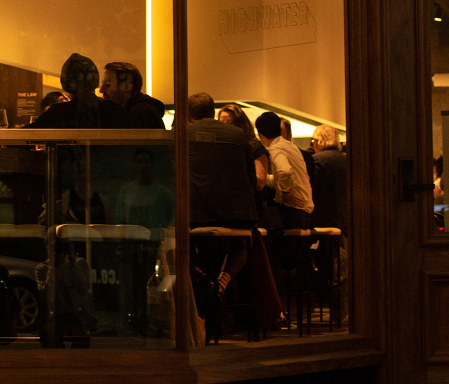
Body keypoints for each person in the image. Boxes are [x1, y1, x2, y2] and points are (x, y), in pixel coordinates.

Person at [188, 92, 258, 307]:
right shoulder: (238, 134)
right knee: (241, 246)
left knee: (177, 244)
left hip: (196, 213)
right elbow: (251, 178)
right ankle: (222, 282)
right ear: (213, 111)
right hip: (238, 213)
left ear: (189, 113)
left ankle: (202, 279)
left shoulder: (183, 133)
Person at [28, 53, 130, 129]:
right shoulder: (115, 110)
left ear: (65, 82)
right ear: (95, 79)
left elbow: (25, 135)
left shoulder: (58, 113)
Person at [255, 111, 314, 230]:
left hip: (294, 211)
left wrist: (285, 192)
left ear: (260, 134)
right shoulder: (290, 146)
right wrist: (263, 178)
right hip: (305, 210)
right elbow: (282, 177)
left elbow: (285, 171)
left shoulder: (275, 149)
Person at [114, 147, 174, 229]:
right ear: (134, 165)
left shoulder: (165, 193)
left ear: (152, 164)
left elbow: (171, 221)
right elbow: (120, 220)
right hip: (131, 236)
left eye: (147, 162)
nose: (143, 165)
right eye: (139, 162)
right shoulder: (125, 191)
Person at [99, 61, 165, 128]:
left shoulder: (139, 113)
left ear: (126, 87)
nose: (101, 90)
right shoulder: (140, 110)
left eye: (107, 85)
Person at [310, 125, 347, 233]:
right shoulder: (347, 159)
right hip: (346, 218)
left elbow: (312, 191)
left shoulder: (316, 160)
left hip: (323, 220)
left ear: (318, 141)